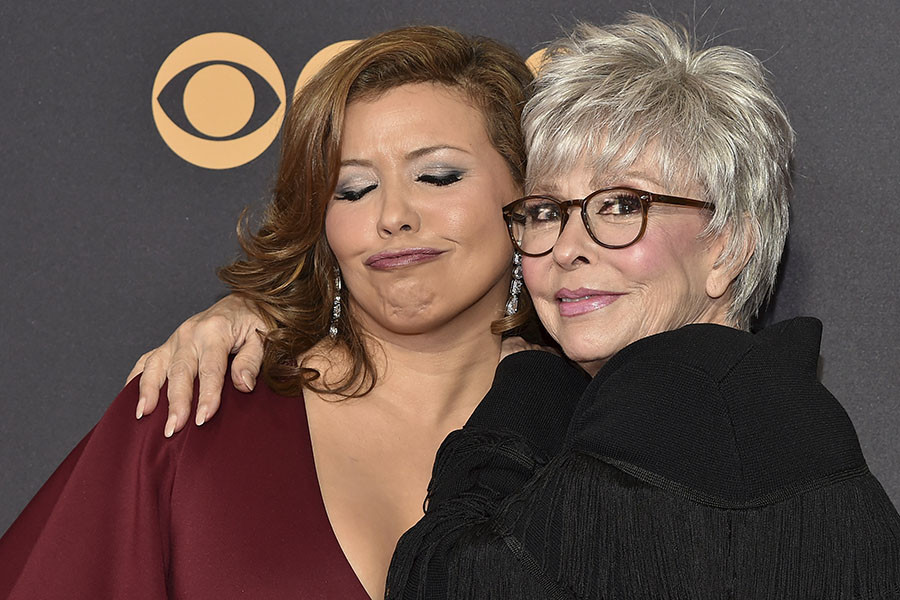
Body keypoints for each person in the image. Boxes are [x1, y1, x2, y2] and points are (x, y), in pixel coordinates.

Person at [132, 14, 900, 598]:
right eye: (547, 211)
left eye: (622, 205)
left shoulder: (686, 407)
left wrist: (526, 390)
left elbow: (439, 580)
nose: (569, 245)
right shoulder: (780, 415)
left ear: (731, 246)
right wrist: (257, 308)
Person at [0, 26, 540, 599]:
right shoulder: (194, 408)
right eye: (352, 189)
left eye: (438, 176)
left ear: (531, 197)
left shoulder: (600, 432)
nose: (393, 215)